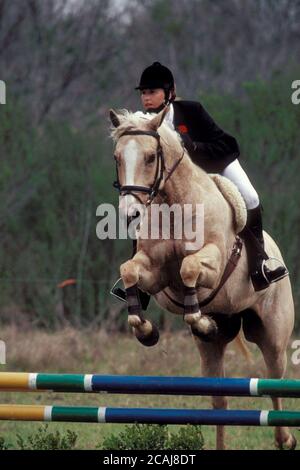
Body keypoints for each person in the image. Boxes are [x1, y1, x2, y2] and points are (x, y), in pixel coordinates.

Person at [111, 62, 288, 302]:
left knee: (251, 197)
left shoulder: (191, 111)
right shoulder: (143, 123)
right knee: (137, 209)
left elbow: (227, 144)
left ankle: (260, 264)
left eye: (152, 92)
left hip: (215, 165)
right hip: (180, 185)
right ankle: (141, 287)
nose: (146, 98)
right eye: (143, 93)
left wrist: (192, 147)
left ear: (169, 92)